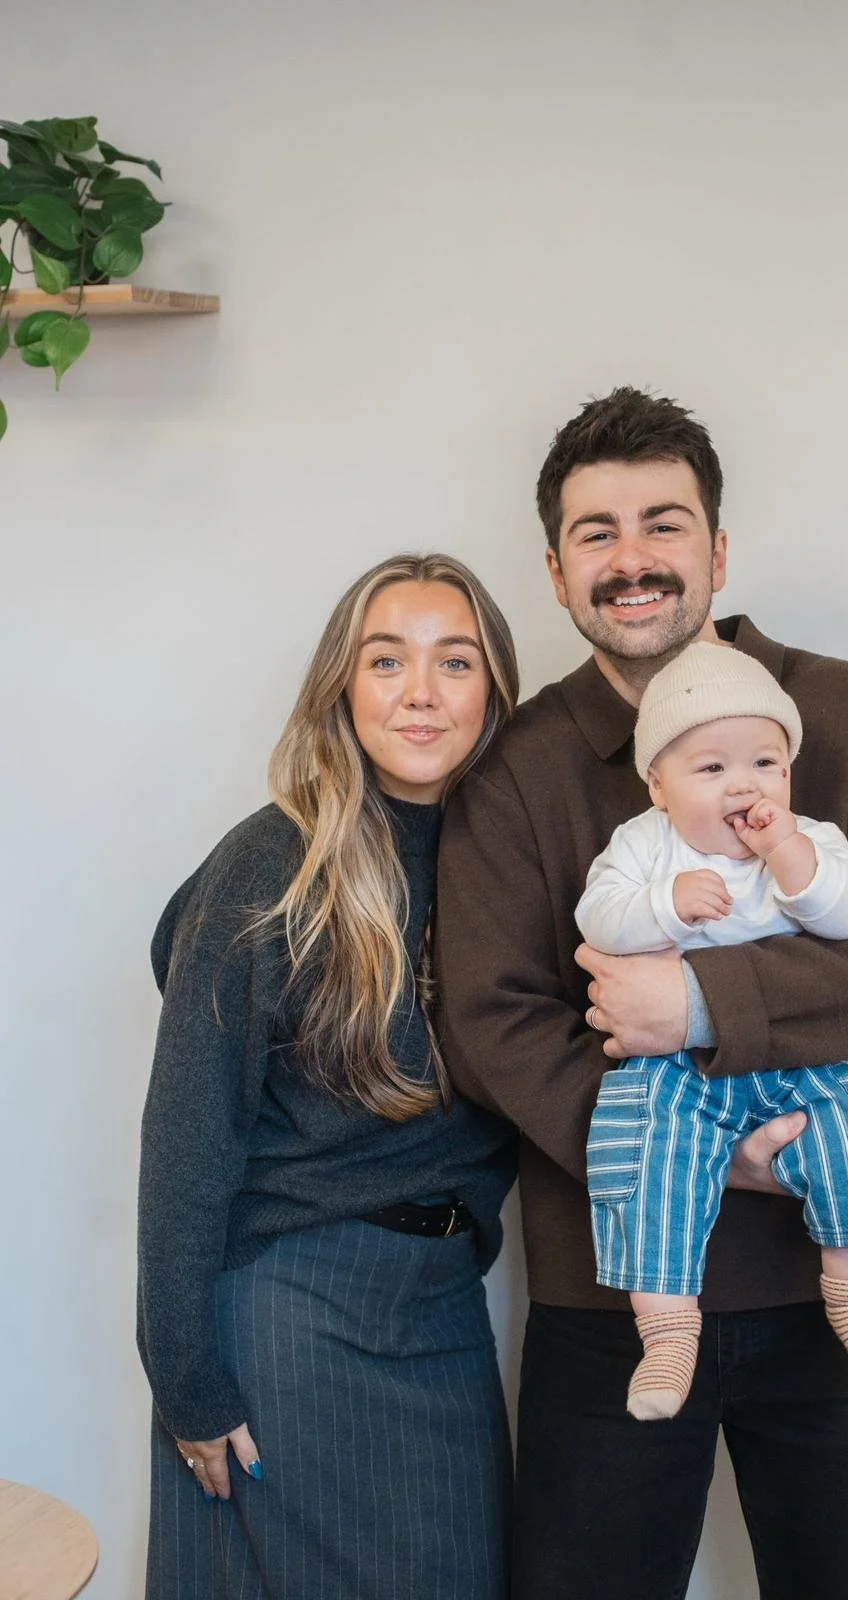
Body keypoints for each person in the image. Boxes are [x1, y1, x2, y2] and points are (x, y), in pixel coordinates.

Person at [435, 388, 848, 1600]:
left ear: (717, 550)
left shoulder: (840, 712)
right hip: (609, 1291)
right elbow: (490, 1019)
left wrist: (701, 1010)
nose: (633, 560)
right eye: (597, 532)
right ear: (557, 568)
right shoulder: (515, 767)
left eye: (664, 524)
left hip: (847, 1281)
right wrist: (687, 1154)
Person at [138, 553, 520, 1600]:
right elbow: (187, 1134)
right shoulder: (276, 862)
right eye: (384, 659)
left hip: (442, 1309)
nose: (420, 692)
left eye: (455, 661)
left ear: (494, 691)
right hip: (290, 1309)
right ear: (341, 687)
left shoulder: (516, 865)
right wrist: (187, 1379)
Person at [577, 640, 848, 1422]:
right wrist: (665, 904)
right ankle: (666, 1332)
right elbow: (596, 918)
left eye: (766, 763)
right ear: (657, 786)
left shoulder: (808, 841)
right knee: (645, 1163)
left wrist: (790, 855)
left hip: (799, 1058)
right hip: (674, 1068)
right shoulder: (643, 846)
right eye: (712, 770)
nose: (745, 786)